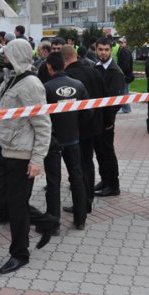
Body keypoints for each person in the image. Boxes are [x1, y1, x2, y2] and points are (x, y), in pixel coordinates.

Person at [0, 39, 57, 274]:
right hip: (6, 152)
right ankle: (47, 222)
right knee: (7, 202)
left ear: (17, 56)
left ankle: (20, 253)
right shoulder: (11, 79)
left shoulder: (30, 84)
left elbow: (42, 124)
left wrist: (37, 160)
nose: (2, 57)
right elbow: (2, 112)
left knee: (16, 208)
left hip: (22, 155)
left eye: (7, 54)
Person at [42, 52, 91, 230]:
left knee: (53, 181)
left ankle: (53, 224)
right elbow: (88, 112)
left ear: (48, 66)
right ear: (64, 64)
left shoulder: (45, 87)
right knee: (76, 177)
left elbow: (42, 117)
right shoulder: (78, 85)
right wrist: (75, 126)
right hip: (73, 139)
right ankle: (80, 219)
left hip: (53, 140)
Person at [62, 45, 105, 216]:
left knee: (77, 166)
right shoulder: (93, 70)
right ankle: (88, 198)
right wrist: (107, 122)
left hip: (77, 127)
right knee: (88, 162)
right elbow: (106, 95)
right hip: (94, 125)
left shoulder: (69, 77)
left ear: (64, 59)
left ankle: (81, 203)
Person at [93, 37, 126, 197]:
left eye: (106, 50)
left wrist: (108, 121)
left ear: (111, 50)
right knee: (99, 152)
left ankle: (113, 185)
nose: (103, 52)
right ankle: (105, 180)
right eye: (101, 49)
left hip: (106, 122)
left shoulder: (115, 72)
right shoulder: (95, 67)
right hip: (96, 120)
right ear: (96, 50)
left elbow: (115, 102)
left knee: (107, 152)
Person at [116, 37, 134, 113]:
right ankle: (125, 108)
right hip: (125, 74)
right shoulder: (122, 50)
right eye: (119, 42)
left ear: (125, 43)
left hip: (125, 75)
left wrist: (122, 73)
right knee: (124, 91)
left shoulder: (125, 51)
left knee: (124, 92)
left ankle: (126, 108)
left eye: (122, 42)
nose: (120, 44)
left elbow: (125, 65)